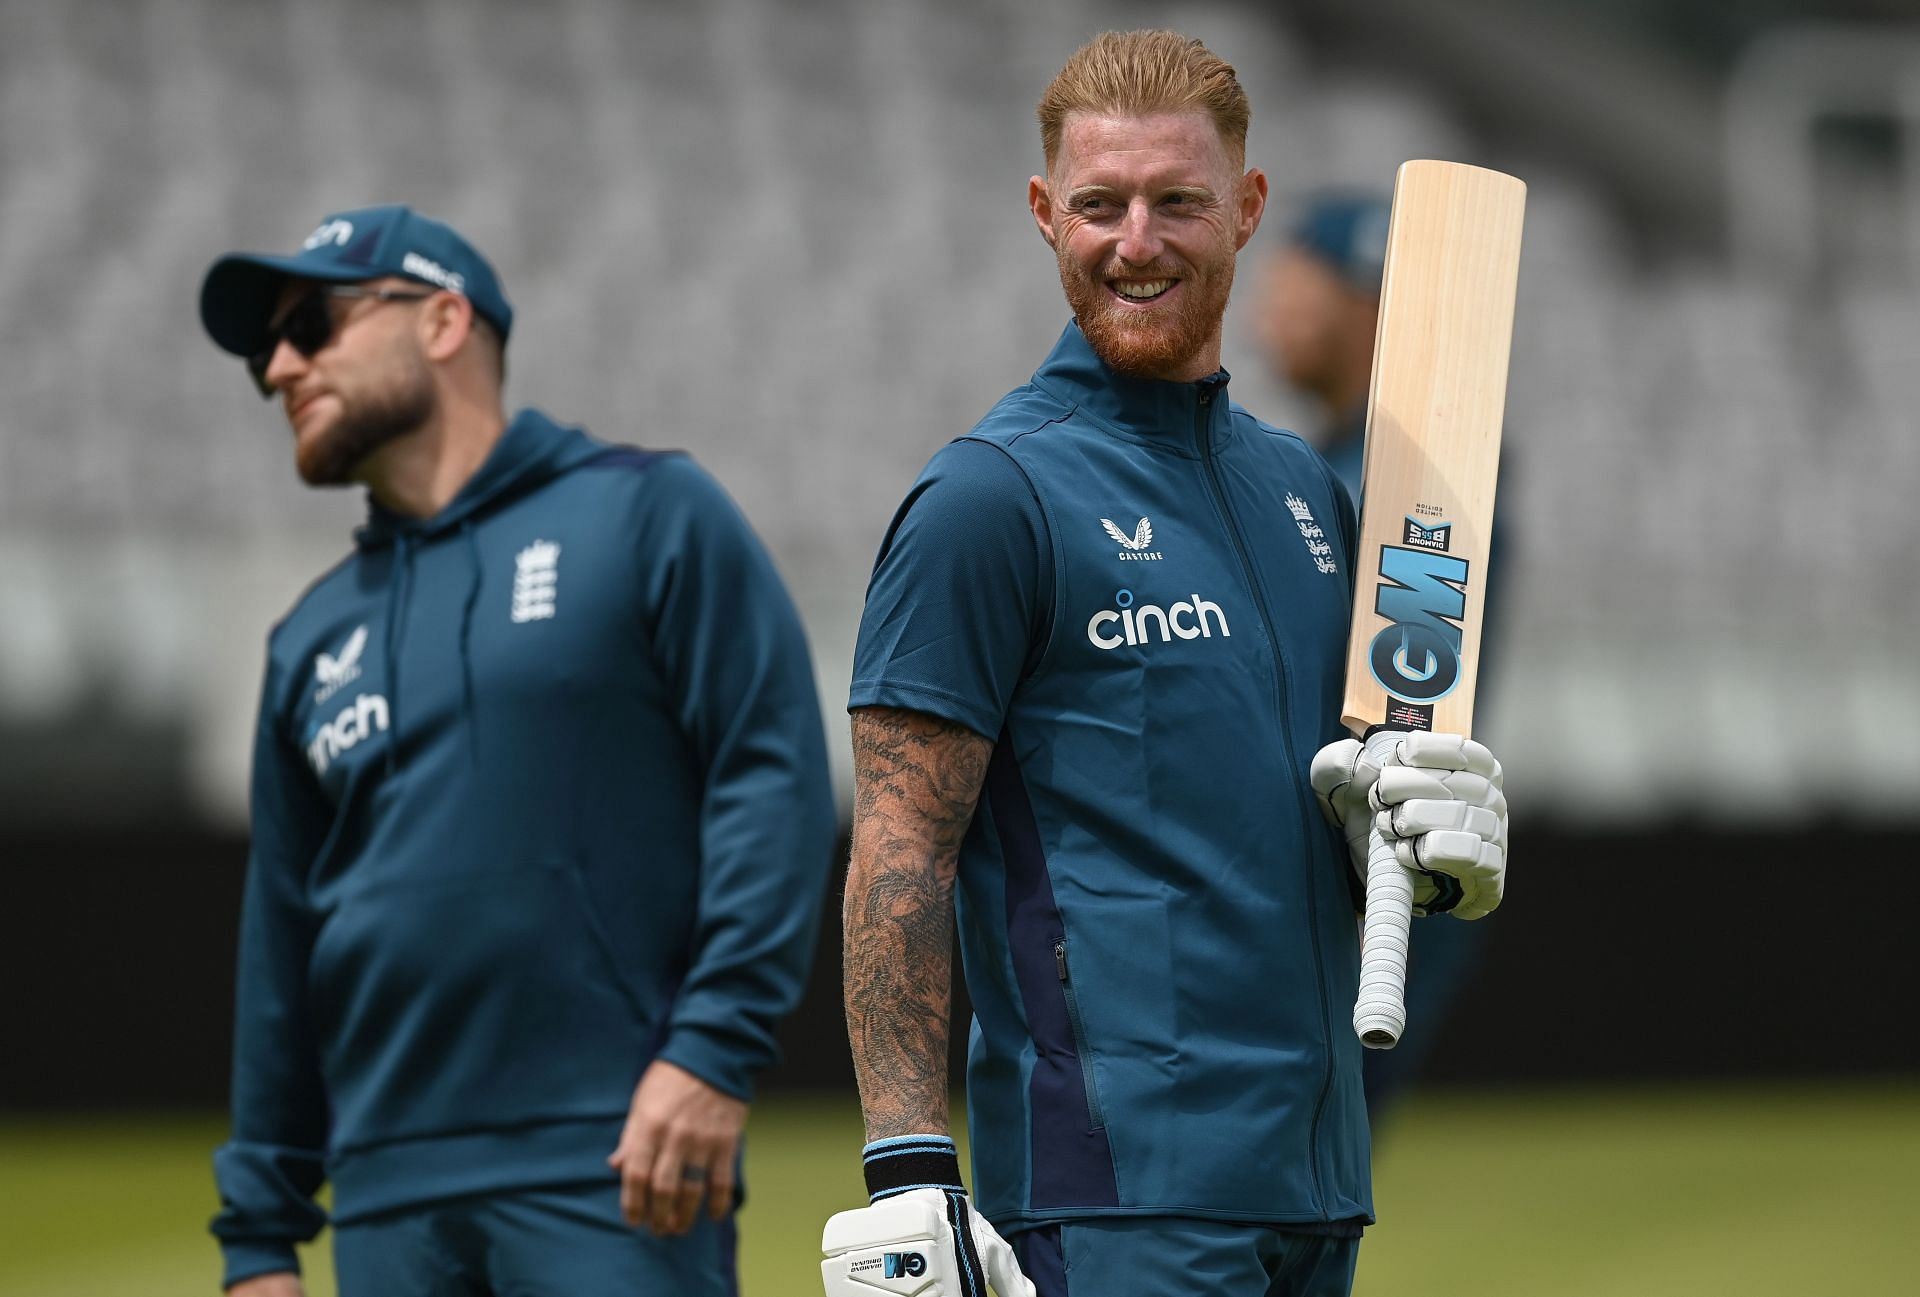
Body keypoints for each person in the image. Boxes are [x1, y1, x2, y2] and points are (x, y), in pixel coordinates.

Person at [820, 32, 1509, 1297]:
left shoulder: (1306, 488)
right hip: (1113, 1200)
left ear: (1245, 209)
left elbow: (1324, 807)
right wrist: (906, 1169)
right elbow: (900, 847)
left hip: (1315, 1185)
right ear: (1045, 215)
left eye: (1177, 201)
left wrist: (1430, 839)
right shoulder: (988, 497)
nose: (1136, 241)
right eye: (1101, 205)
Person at [198, 204, 836, 1296]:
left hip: (610, 1162)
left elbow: (769, 775)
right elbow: (283, 938)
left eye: (312, 323)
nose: (277, 368)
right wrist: (260, 1237)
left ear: (444, 320)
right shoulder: (309, 639)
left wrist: (710, 1049)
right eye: (266, 345)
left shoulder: (646, 513)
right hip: (386, 1198)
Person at [1257, 195, 1506, 1116]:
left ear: (1370, 306)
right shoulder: (1316, 465)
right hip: (1355, 844)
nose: (1266, 315)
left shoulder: (1416, 487)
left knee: (1299, 1167)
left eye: (1296, 289)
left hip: (1373, 857)